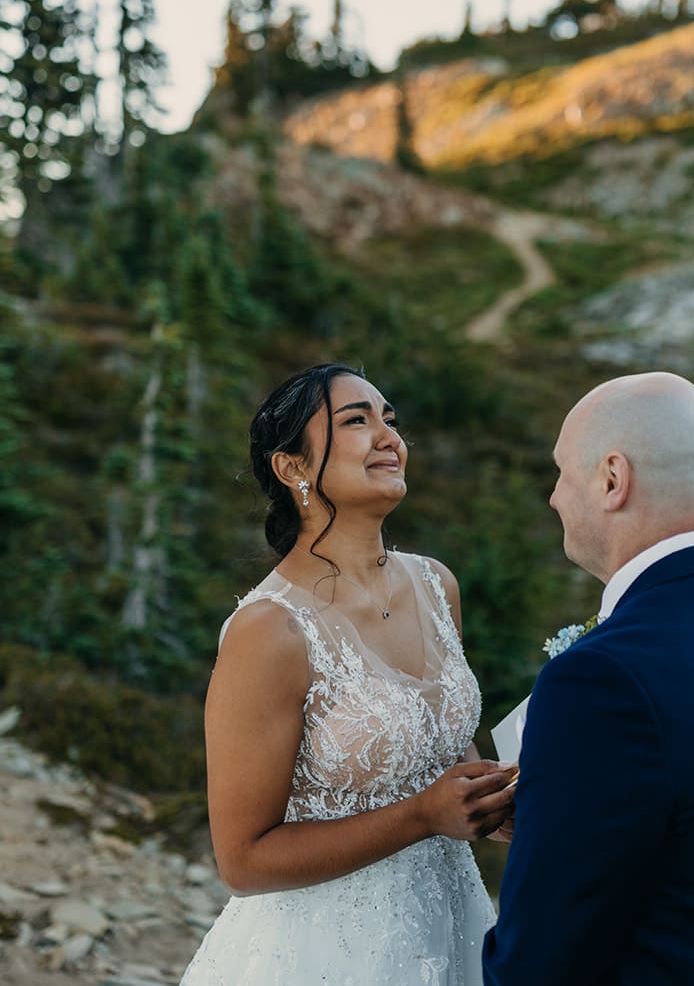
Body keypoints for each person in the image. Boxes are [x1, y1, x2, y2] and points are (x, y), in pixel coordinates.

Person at [483, 372, 694, 984]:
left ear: (612, 480)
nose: (554, 497)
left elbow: (539, 960)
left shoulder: (601, 677)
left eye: (563, 472)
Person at [180, 363, 514, 985]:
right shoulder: (269, 629)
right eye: (356, 421)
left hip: (452, 927)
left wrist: (494, 803)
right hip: (325, 952)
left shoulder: (437, 585)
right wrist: (422, 815)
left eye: (390, 419)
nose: (388, 437)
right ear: (292, 468)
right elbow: (243, 860)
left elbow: (439, 752)